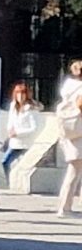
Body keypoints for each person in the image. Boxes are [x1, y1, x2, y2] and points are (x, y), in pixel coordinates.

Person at [55, 58, 82, 218]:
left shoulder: (67, 87)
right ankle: (65, 208)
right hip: (79, 132)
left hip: (68, 131)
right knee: (74, 172)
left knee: (74, 171)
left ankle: (65, 207)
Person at [2, 80, 40, 182]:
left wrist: (18, 133)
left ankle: (18, 183)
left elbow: (34, 128)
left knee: (24, 166)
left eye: (23, 93)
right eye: (18, 93)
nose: (20, 96)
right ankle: (9, 182)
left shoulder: (31, 109)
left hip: (27, 143)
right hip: (14, 142)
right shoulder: (13, 106)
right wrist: (10, 130)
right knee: (5, 161)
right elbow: (10, 121)